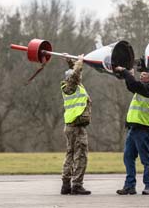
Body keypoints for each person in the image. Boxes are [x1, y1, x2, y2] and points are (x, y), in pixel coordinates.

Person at [114, 66, 149, 195]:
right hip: (133, 128)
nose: (142, 75)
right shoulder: (141, 89)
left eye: (145, 74)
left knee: (145, 159)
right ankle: (129, 186)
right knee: (128, 157)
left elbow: (133, 84)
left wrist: (125, 72)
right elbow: (131, 85)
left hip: (143, 129)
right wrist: (128, 75)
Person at [60, 54, 92, 195]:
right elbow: (75, 73)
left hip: (69, 125)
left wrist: (69, 60)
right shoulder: (73, 85)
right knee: (81, 156)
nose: (79, 77)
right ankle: (77, 185)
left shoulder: (69, 87)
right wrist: (80, 61)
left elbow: (73, 73)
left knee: (70, 155)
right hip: (77, 127)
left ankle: (65, 185)